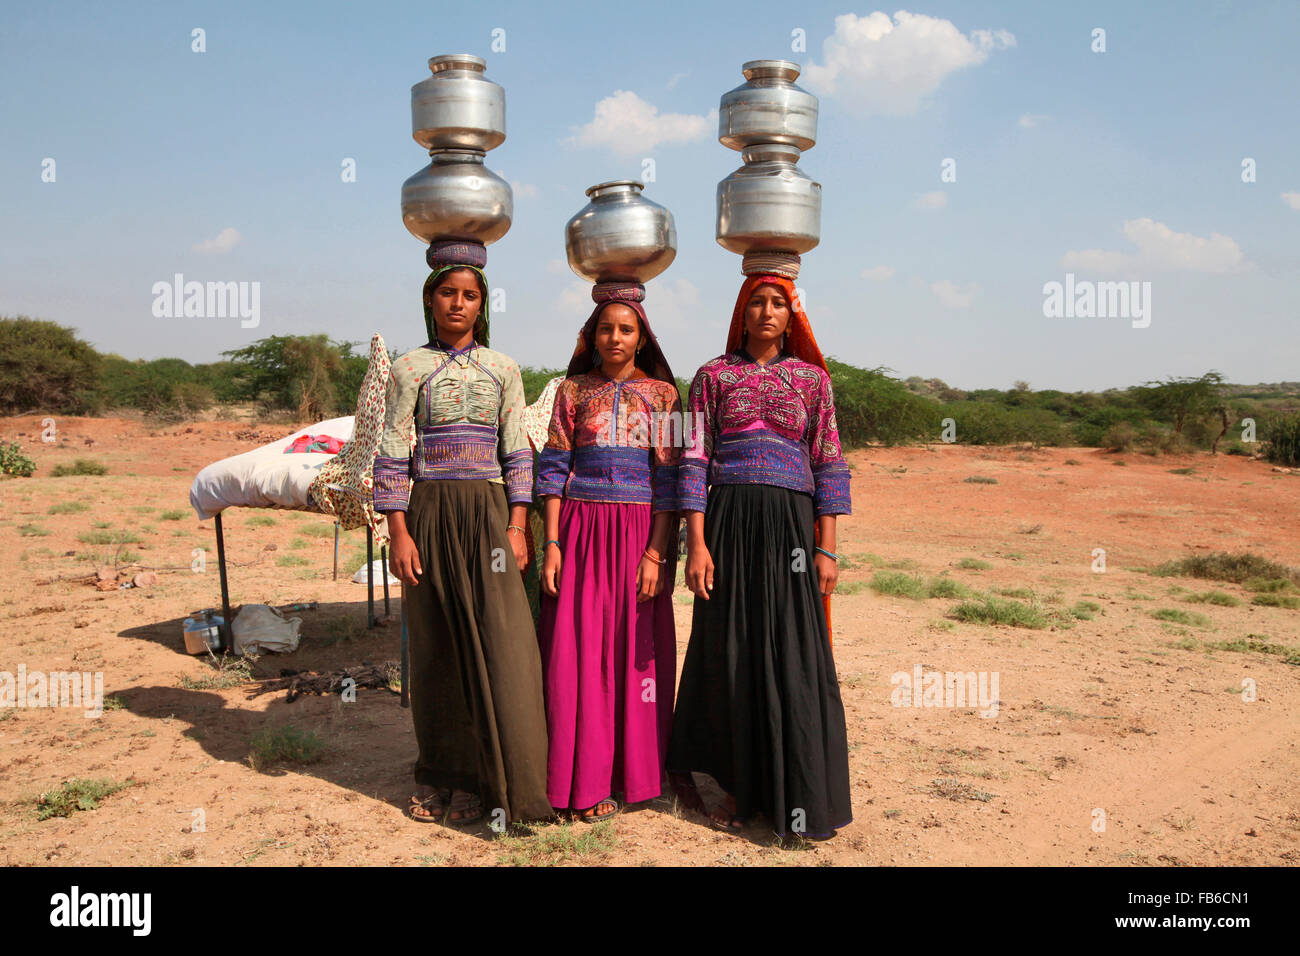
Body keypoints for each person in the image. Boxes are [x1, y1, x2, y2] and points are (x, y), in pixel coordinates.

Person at [667, 266, 853, 840]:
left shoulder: (813, 381)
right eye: (756, 302)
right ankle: (738, 788)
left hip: (793, 526)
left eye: (778, 303)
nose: (767, 312)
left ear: (791, 315)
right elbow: (692, 460)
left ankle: (793, 791)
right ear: (741, 313)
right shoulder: (711, 377)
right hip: (727, 522)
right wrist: (695, 544)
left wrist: (827, 549)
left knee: (795, 651)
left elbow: (828, 462)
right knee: (732, 648)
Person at [375, 239, 552, 827]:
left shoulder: (503, 369)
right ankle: (442, 774)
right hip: (427, 513)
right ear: (430, 301)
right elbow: (393, 450)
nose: (458, 303)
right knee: (437, 644)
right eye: (447, 293)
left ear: (483, 305)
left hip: (490, 514)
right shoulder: (409, 368)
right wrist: (398, 531)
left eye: (469, 295)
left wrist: (519, 526)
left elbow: (516, 452)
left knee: (502, 642)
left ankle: (493, 778)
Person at [534, 285, 682, 822]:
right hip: (578, 530)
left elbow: (671, 477)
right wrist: (551, 543)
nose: (614, 337)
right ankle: (579, 779)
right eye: (605, 328)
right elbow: (551, 468)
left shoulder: (665, 396)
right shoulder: (571, 391)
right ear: (591, 336)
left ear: (642, 338)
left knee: (634, 652)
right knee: (574, 654)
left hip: (639, 533)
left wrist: (657, 555)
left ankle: (633, 775)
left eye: (626, 329)